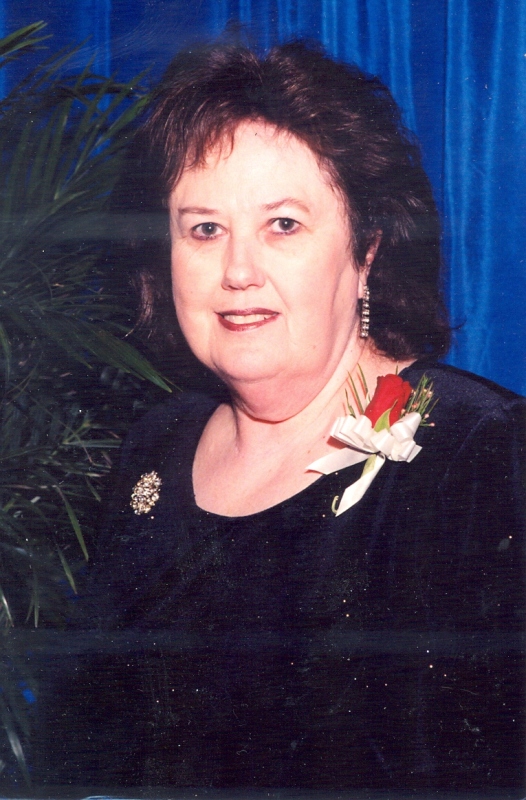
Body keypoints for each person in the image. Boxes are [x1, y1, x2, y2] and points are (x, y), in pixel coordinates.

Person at [40, 40, 525, 791]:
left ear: (367, 249)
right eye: (204, 229)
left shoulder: (481, 452)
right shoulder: (155, 448)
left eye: (284, 225)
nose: (238, 271)